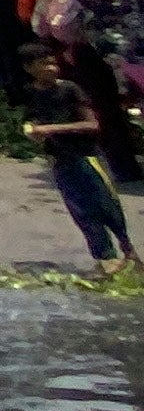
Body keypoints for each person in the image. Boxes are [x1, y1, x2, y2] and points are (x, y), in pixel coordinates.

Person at [23, 49, 135, 266]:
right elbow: (31, 121)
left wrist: (50, 130)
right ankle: (106, 259)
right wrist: (34, 132)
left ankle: (128, 249)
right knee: (81, 212)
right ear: (29, 69)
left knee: (107, 205)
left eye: (52, 63)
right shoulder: (31, 93)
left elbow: (91, 124)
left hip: (87, 157)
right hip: (60, 161)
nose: (51, 68)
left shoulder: (69, 89)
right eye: (44, 64)